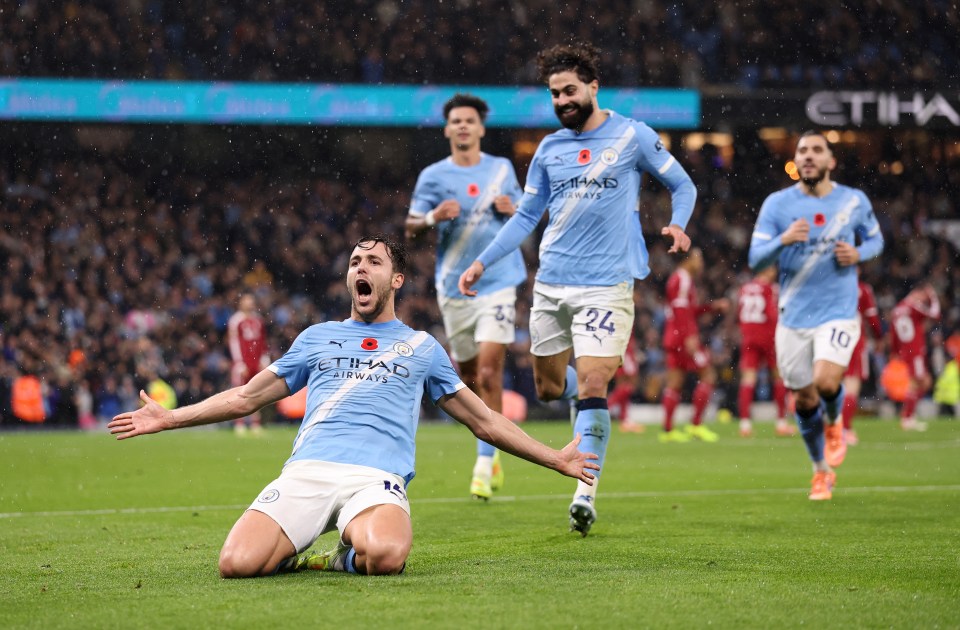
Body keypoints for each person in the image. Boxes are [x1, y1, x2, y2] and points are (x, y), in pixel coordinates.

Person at [109, 236, 598, 577]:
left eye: (374, 261)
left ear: (397, 279)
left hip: (375, 479)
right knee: (235, 564)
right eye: (354, 261)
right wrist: (172, 417)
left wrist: (553, 458)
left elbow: (485, 421)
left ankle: (336, 557)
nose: (360, 267)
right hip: (307, 471)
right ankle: (301, 546)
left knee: (385, 556)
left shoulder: (421, 347)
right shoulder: (316, 338)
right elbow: (245, 397)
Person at [458, 43, 696, 535]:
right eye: (554, 93)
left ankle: (584, 491)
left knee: (591, 384)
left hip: (607, 285)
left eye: (569, 90)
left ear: (592, 87)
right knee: (550, 389)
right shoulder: (548, 149)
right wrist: (482, 261)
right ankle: (585, 406)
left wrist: (678, 224)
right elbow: (526, 216)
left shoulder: (633, 135)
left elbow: (684, 185)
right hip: (550, 285)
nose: (562, 100)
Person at [748, 131, 884, 501]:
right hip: (793, 316)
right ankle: (820, 471)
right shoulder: (777, 206)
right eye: (802, 151)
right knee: (804, 400)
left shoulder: (853, 201)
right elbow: (755, 259)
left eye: (816, 151)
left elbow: (876, 240)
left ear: (830, 161)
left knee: (826, 382)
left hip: (838, 310)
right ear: (796, 161)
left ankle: (836, 422)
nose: (808, 156)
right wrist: (784, 239)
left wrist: (859, 254)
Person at [405, 93, 525, 501]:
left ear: (480, 129)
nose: (462, 126)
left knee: (490, 373)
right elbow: (409, 227)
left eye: (469, 121)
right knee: (469, 377)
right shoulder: (433, 176)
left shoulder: (501, 168)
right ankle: (489, 447)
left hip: (499, 280)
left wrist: (513, 207)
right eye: (455, 121)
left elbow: (525, 212)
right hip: (454, 286)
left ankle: (484, 461)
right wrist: (432, 217)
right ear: (447, 129)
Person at [659, 248, 729, 443]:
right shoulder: (682, 279)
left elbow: (689, 310)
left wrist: (712, 307)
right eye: (698, 258)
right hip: (683, 338)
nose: (701, 263)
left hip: (673, 337)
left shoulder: (680, 279)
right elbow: (681, 311)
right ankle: (696, 425)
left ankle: (667, 430)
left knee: (675, 382)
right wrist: (689, 337)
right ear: (687, 259)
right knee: (708, 375)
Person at [736, 266, 791, 438]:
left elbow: (740, 313)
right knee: (778, 376)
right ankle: (781, 423)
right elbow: (772, 313)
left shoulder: (745, 288)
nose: (774, 272)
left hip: (749, 336)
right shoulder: (770, 288)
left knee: (748, 380)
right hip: (768, 336)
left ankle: (745, 424)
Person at [889, 284, 941, 431]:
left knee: (923, 382)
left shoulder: (898, 309)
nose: (922, 299)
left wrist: (895, 351)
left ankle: (907, 415)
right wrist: (933, 296)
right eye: (921, 296)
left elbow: (893, 334)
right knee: (919, 383)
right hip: (915, 351)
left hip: (905, 351)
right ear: (915, 293)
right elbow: (935, 314)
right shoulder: (913, 306)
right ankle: (907, 418)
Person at [839, 278, 883, 445]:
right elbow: (872, 317)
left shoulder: (830, 284)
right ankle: (845, 429)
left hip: (830, 339)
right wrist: (878, 337)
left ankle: (826, 426)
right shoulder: (862, 289)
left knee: (829, 384)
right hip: (854, 340)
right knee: (852, 385)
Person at [227, 293, 270, 435]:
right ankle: (239, 423)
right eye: (246, 300)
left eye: (251, 300)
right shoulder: (236, 320)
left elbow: (262, 342)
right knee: (240, 392)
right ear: (240, 303)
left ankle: (255, 423)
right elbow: (234, 342)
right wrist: (239, 362)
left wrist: (264, 359)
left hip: (256, 362)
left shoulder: (258, 320)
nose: (249, 303)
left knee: (257, 392)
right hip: (243, 362)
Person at [607, 333, 645, 433]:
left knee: (623, 386)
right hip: (625, 351)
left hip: (623, 349)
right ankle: (604, 408)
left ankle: (624, 419)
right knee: (629, 385)